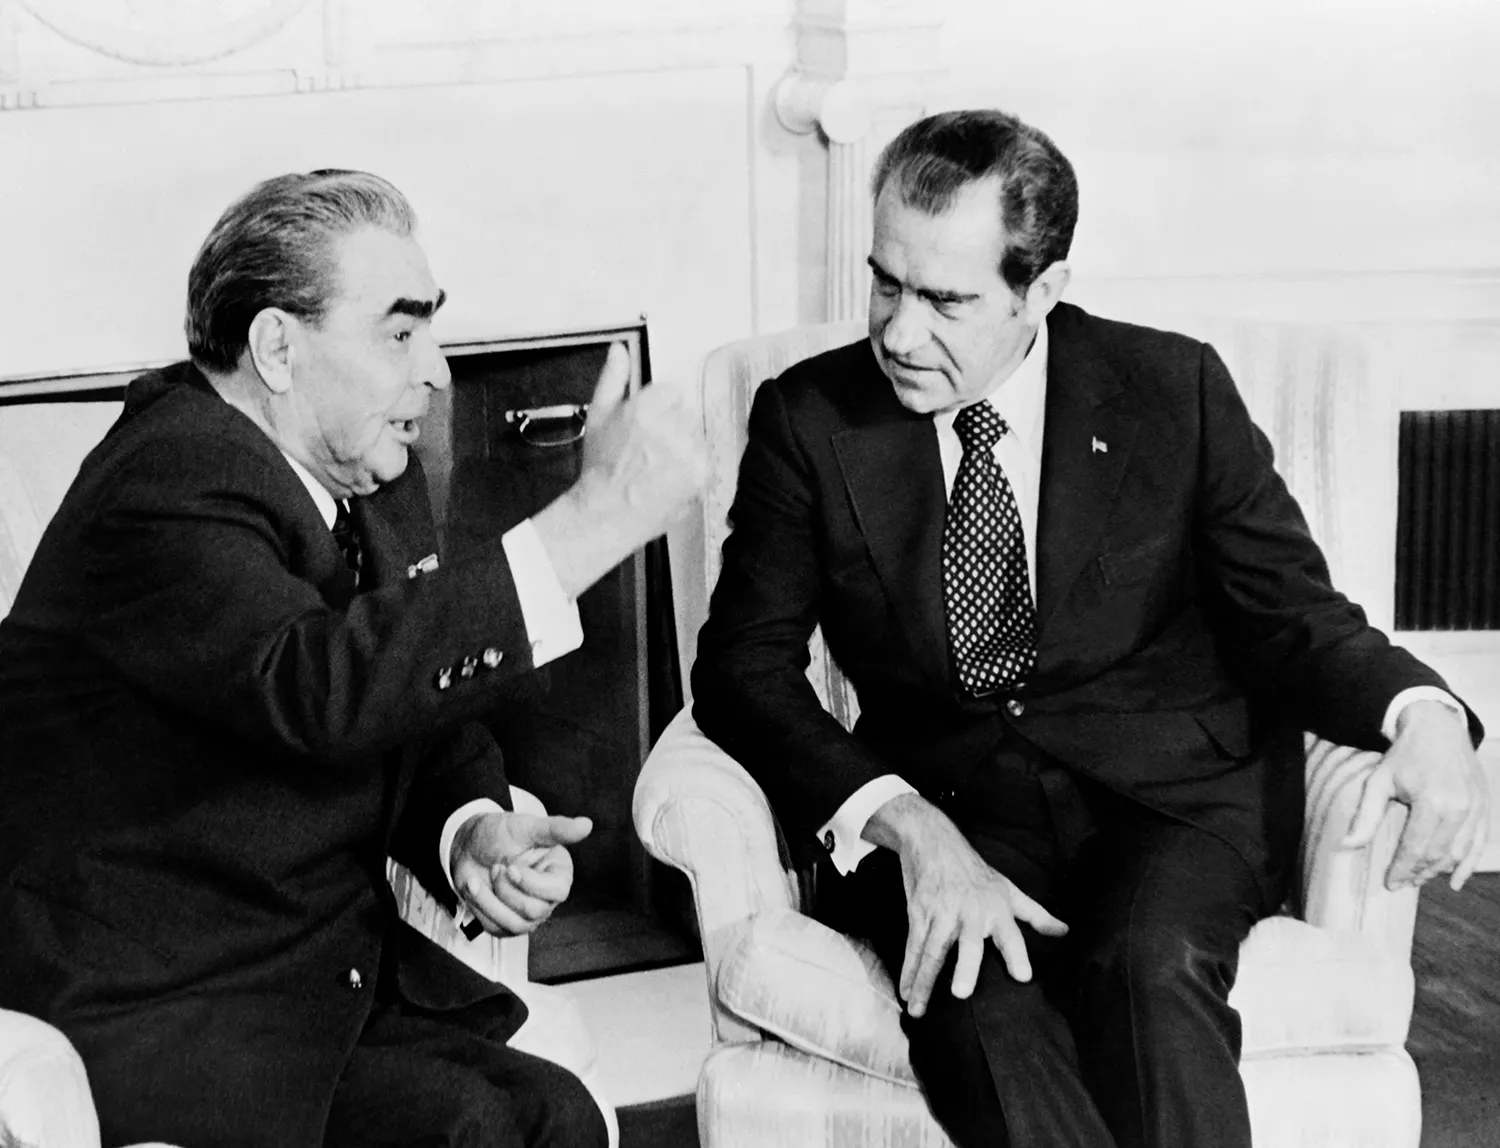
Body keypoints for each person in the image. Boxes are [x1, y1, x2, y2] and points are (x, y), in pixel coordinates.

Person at [691, 109, 1491, 1148]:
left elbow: (1292, 613)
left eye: (946, 299)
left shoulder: (1174, 389)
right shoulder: (808, 417)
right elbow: (741, 668)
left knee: (1146, 966)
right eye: (885, 281)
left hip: (1173, 800)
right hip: (948, 808)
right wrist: (909, 829)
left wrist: (1421, 711)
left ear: (1044, 292)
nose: (896, 330)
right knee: (984, 1012)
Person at [0, 170, 706, 1147]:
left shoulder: (371, 466)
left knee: (552, 1115)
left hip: (321, 979)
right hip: (164, 1007)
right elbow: (323, 685)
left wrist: (468, 829)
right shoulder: (164, 481)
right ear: (278, 346)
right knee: (481, 1129)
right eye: (400, 331)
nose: (439, 371)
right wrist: (597, 518)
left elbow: (408, 688)